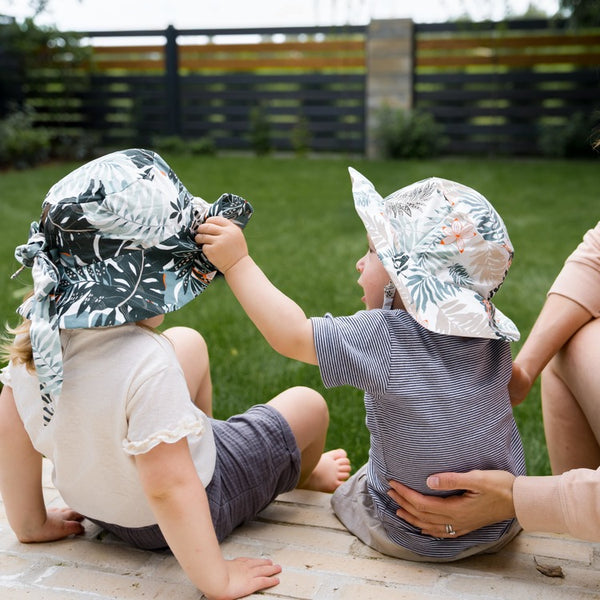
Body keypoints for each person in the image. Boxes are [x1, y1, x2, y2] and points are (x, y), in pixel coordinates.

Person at [0, 148, 350, 600]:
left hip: (102, 505)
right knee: (308, 404)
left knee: (190, 342)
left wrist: (32, 524)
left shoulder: (36, 344)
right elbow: (169, 488)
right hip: (177, 514)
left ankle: (182, 432)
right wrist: (216, 580)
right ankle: (307, 473)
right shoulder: (146, 364)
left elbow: (13, 433)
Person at [196, 167, 527, 562]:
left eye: (372, 252)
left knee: (354, 488)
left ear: (403, 281)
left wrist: (237, 263)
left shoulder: (386, 336)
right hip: (500, 520)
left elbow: (292, 334)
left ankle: (324, 480)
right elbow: (514, 385)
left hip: (411, 530)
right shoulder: (488, 335)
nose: (359, 263)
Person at [386, 221, 600, 542]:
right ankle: (585, 541)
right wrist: (525, 371)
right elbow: (595, 259)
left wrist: (516, 498)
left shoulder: (378, 337)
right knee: (569, 341)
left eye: (373, 253)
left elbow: (299, 337)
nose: (360, 263)